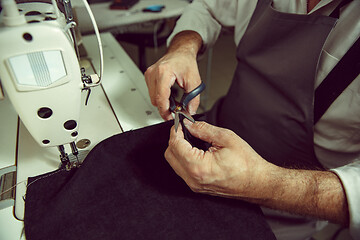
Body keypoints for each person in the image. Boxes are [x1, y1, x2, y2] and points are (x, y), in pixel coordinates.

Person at [144, 0, 360, 239]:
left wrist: (261, 183)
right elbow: (208, 7)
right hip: (207, 143)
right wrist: (182, 48)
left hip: (281, 213)